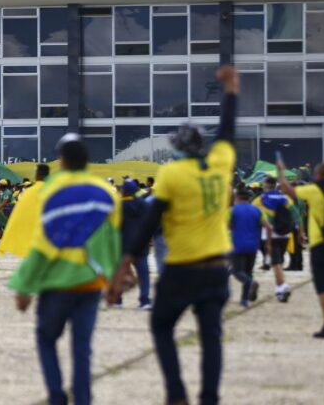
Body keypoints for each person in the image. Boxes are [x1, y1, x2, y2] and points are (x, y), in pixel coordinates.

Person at [111, 65, 240, 405]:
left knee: (161, 327)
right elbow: (227, 132)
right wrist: (231, 91)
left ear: (178, 147)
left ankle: (176, 393)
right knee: (211, 337)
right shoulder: (220, 164)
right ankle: (209, 397)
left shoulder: (171, 174)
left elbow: (150, 220)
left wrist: (126, 261)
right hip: (216, 268)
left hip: (182, 268)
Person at [9, 134, 121, 405]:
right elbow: (112, 240)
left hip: (57, 283)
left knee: (46, 340)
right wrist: (114, 279)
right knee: (82, 348)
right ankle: (83, 400)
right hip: (91, 284)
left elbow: (43, 242)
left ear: (62, 160)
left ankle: (57, 397)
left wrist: (24, 286)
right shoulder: (107, 193)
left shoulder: (51, 190)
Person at [277, 161, 324, 338]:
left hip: (320, 244)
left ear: (320, 176)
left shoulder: (314, 190)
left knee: (323, 288)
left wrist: (281, 171)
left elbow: (287, 190)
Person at [252, 176, 296, 302]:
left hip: (270, 235)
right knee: (279, 262)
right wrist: (300, 232)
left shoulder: (260, 199)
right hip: (285, 234)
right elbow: (295, 215)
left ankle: (281, 287)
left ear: (265, 186)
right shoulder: (285, 198)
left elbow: (253, 214)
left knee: (275, 263)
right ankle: (280, 287)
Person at [230, 189, 271, 307]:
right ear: (248, 199)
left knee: (236, 271)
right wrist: (268, 243)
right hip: (253, 246)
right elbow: (268, 227)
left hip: (237, 245)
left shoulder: (233, 210)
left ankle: (251, 284)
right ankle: (245, 299)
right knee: (248, 272)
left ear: (237, 198)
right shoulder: (257, 210)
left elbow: (226, 226)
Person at [118, 179, 152, 310]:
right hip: (141, 244)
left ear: (124, 190)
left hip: (123, 244)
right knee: (144, 274)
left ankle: (118, 300)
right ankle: (145, 300)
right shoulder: (145, 205)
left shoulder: (118, 206)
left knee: (120, 272)